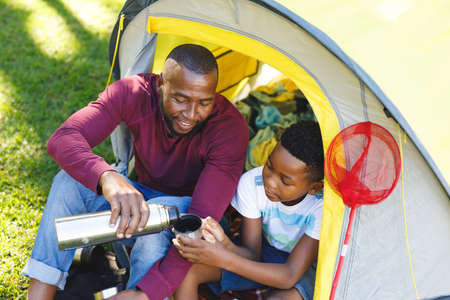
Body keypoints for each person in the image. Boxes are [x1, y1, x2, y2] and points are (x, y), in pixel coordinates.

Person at [22, 44, 249, 300]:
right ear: (162, 84)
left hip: (194, 218)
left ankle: (136, 294)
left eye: (204, 103)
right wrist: (106, 177)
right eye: (180, 99)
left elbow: (197, 225)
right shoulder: (134, 92)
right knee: (68, 182)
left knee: (160, 213)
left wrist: (146, 293)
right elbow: (63, 139)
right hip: (141, 200)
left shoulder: (230, 129)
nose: (191, 114)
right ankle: (40, 292)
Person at [173, 121, 324, 300]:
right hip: (266, 253)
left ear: (313, 188)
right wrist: (224, 244)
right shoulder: (252, 183)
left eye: (285, 181)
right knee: (187, 272)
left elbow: (289, 276)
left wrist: (223, 258)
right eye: (269, 166)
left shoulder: (321, 207)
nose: (270, 181)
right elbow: (252, 254)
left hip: (304, 267)